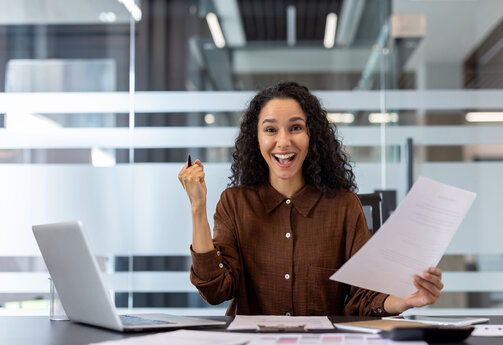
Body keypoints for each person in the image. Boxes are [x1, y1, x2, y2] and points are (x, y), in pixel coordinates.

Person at [178, 82, 443, 316]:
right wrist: (197, 206)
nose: (283, 142)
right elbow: (215, 290)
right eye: (271, 130)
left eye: (295, 127)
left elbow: (365, 296)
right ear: (256, 138)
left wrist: (406, 300)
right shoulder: (235, 203)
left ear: (311, 135)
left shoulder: (343, 206)